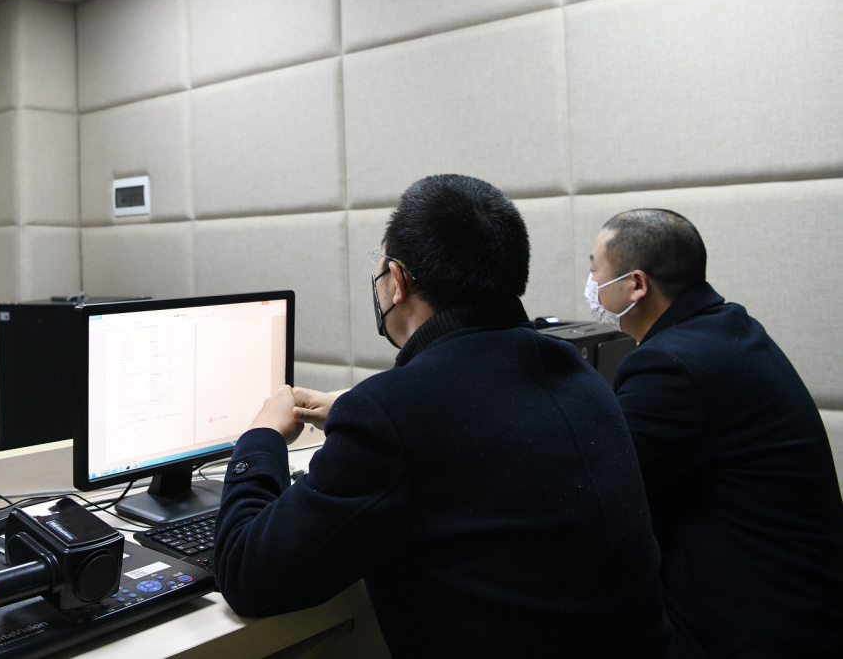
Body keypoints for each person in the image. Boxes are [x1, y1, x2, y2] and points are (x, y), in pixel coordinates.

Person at [214, 174, 672, 658]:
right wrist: (358, 415)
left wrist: (261, 437)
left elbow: (249, 576)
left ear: (398, 281)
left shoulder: (393, 414)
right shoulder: (579, 374)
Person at [588, 209, 843, 658]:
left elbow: (605, 490)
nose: (591, 282)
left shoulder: (670, 366)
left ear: (636, 284)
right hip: (803, 602)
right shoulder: (726, 327)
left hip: (752, 626)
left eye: (595, 270)